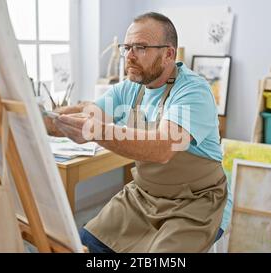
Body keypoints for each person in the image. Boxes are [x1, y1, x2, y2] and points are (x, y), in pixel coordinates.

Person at [44, 12, 230, 253]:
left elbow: (161, 149)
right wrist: (47, 118)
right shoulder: (131, 87)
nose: (129, 56)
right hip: (144, 196)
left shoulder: (193, 90)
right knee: (81, 246)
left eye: (140, 47)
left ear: (169, 54)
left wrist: (97, 131)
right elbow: (89, 113)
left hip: (195, 203)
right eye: (127, 47)